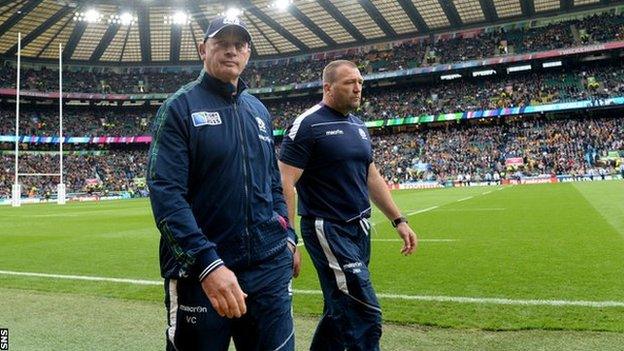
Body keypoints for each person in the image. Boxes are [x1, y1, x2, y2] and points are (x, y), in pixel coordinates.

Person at [147, 15, 299, 351]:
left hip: (267, 268)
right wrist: (207, 264)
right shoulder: (179, 108)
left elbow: (273, 184)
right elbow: (165, 192)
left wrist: (287, 238)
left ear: (248, 53)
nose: (231, 51)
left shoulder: (258, 111)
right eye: (221, 43)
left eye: (239, 45)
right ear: (203, 49)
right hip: (200, 275)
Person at [278, 60, 418, 350]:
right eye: (349, 83)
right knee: (363, 311)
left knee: (339, 308)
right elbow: (284, 182)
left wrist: (398, 219)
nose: (358, 89)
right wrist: (288, 239)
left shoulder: (358, 125)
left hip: (359, 229)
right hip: (328, 228)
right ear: (328, 88)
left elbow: (371, 175)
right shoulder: (308, 124)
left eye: (360, 82)